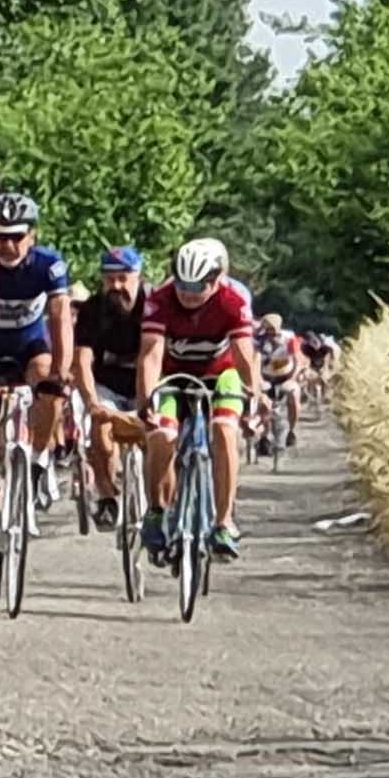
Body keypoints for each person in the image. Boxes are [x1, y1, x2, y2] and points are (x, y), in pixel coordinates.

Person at [0, 193, 72, 585]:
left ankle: (39, 456)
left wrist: (62, 369)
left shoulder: (48, 265)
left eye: (17, 238)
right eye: (1, 237)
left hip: (31, 347)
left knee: (49, 381)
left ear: (32, 236)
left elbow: (59, 317)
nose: (8, 245)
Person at [136, 237, 263, 562]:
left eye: (198, 287)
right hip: (174, 375)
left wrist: (255, 393)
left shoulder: (232, 300)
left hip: (222, 373)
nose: (189, 295)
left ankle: (223, 522)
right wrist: (146, 398)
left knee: (223, 430)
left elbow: (243, 353)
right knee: (162, 435)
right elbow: (151, 354)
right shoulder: (160, 299)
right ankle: (156, 510)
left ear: (216, 280)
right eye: (183, 286)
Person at [72, 246, 148, 530]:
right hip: (107, 385)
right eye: (109, 279)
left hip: (148, 383)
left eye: (123, 278)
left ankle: (160, 505)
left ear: (138, 277)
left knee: (161, 435)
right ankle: (106, 497)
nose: (116, 286)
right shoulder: (93, 309)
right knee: (100, 429)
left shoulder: (153, 305)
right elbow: (82, 359)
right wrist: (92, 402)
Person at [255, 312, 306, 452]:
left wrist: (293, 378)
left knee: (293, 394)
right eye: (268, 329)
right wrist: (257, 380)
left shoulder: (289, 339)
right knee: (261, 401)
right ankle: (264, 435)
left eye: (273, 329)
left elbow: (297, 361)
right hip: (265, 377)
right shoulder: (258, 340)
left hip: (286, 376)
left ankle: (292, 430)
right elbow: (254, 361)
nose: (271, 333)